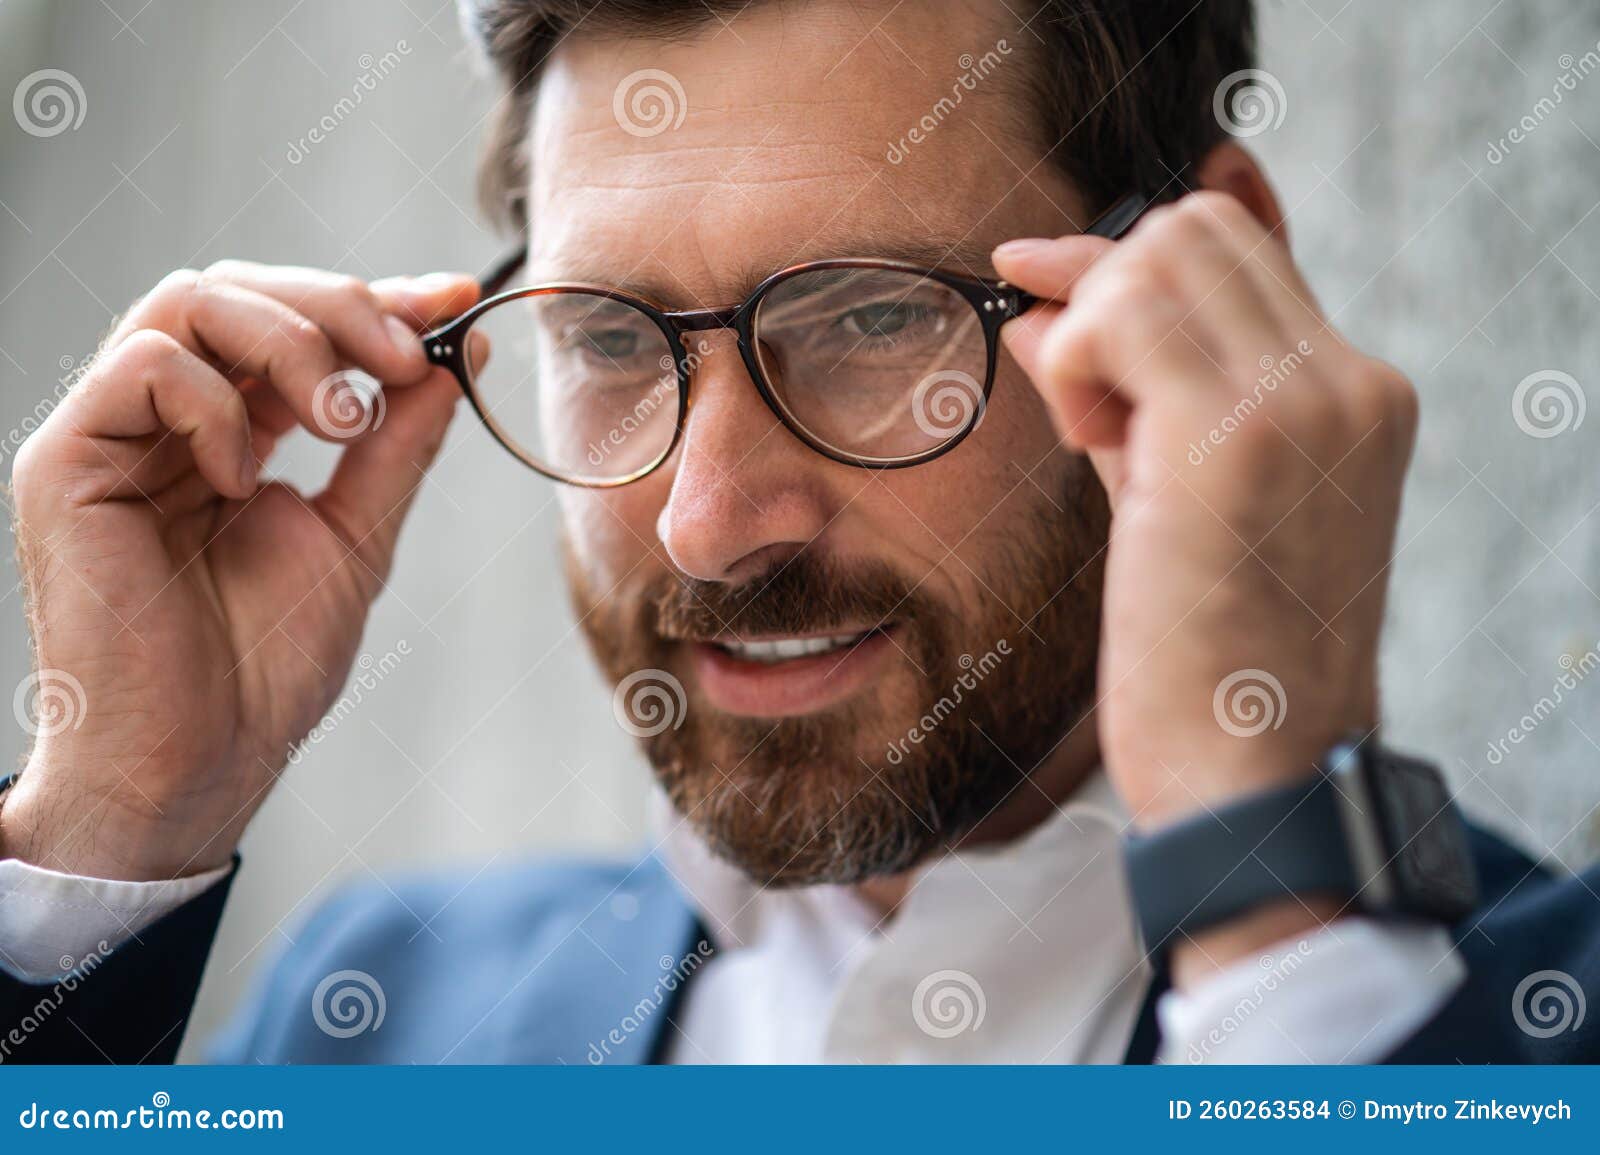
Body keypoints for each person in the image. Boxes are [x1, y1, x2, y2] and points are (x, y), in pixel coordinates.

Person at [1, 0, 1595, 1065]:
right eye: (613, 339)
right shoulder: (372, 1018)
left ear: (1210, 279)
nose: (708, 525)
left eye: (873, 315)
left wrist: (1285, 921)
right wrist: (114, 823)